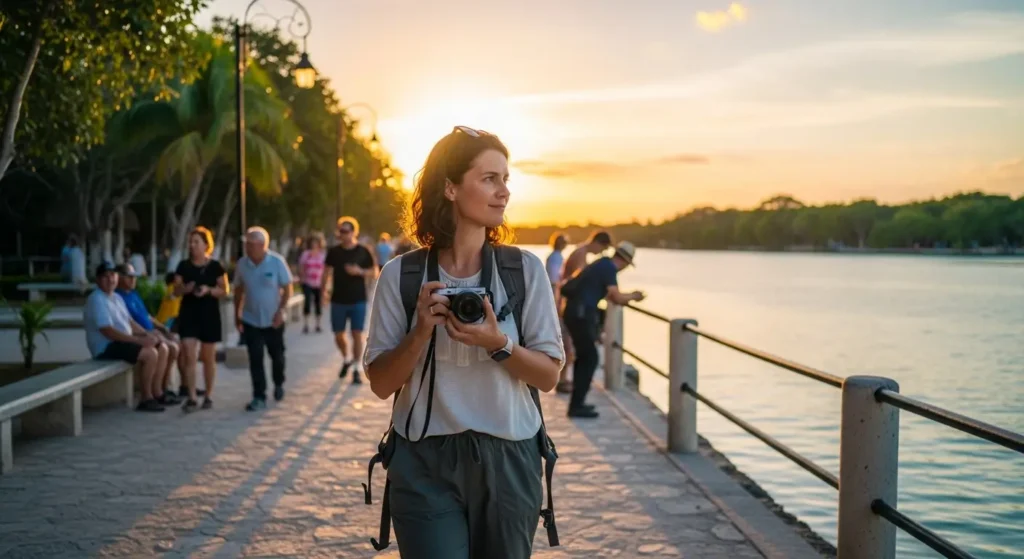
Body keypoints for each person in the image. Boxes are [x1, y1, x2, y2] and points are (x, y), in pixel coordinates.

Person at [364, 126, 564, 558]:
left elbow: (548, 376)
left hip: (510, 455)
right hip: (423, 458)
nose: (504, 192)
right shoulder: (401, 275)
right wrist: (420, 332)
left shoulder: (524, 271)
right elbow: (381, 384)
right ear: (451, 187)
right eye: (489, 178)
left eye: (506, 179)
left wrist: (498, 343)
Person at [561, 241, 645, 418]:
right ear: (624, 261)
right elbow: (616, 296)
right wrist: (635, 296)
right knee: (590, 357)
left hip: (574, 312)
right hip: (581, 315)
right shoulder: (609, 269)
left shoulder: (601, 264)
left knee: (584, 357)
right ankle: (576, 406)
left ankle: (578, 403)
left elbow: (606, 293)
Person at [84, 262, 169, 412]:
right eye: (105, 276)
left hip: (119, 343)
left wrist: (147, 334)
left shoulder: (116, 297)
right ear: (97, 280)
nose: (110, 279)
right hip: (106, 347)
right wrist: (139, 340)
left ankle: (158, 393)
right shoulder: (97, 299)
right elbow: (107, 331)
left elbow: (129, 321)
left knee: (161, 347)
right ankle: (146, 398)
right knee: (150, 353)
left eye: (113, 275)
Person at [233, 227, 294, 411]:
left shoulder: (276, 262)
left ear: (261, 245)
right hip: (251, 320)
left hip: (273, 320)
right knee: (255, 358)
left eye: (251, 244)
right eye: (246, 244)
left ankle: (278, 383)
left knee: (277, 356)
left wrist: (281, 311)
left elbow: (288, 287)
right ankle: (258, 395)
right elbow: (238, 290)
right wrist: (237, 313)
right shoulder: (242, 264)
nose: (247, 247)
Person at [174, 226, 228, 412]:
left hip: (209, 314)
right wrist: (186, 289)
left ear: (206, 245)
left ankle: (209, 395)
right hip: (189, 314)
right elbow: (176, 290)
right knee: (189, 355)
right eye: (191, 241)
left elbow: (224, 290)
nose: (192, 245)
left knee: (208, 357)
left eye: (197, 241)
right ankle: (191, 396)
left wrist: (208, 290)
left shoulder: (215, 266)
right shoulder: (183, 266)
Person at [554, 230, 612, 393]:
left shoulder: (579, 252)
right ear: (598, 242)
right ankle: (563, 380)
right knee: (568, 346)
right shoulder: (581, 254)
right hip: (568, 305)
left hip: (566, 303)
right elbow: (579, 279)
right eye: (602, 249)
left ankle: (564, 379)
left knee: (569, 344)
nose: (600, 253)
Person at [115, 263, 181, 405]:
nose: (133, 280)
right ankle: (156, 392)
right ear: (119, 278)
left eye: (134, 277)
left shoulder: (133, 294)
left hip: (150, 331)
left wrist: (162, 328)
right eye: (129, 277)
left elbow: (147, 316)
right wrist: (147, 333)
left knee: (174, 346)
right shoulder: (118, 297)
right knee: (163, 348)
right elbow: (128, 322)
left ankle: (164, 387)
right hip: (140, 335)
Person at [323, 216, 377, 383]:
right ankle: (346, 358)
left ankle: (355, 368)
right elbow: (326, 273)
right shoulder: (334, 251)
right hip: (338, 299)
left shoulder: (363, 251)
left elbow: (374, 272)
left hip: (358, 299)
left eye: (346, 231)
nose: (343, 234)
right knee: (338, 335)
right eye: (341, 231)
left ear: (354, 232)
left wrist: (359, 272)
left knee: (357, 333)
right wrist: (322, 292)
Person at [297, 232, 326, 334]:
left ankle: (318, 324)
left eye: (316, 243)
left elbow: (325, 270)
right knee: (307, 303)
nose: (314, 245)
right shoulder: (306, 254)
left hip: (318, 283)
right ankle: (306, 324)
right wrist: (302, 277)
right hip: (307, 282)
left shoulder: (322, 255)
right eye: (313, 243)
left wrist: (325, 284)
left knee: (318, 303)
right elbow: (301, 266)